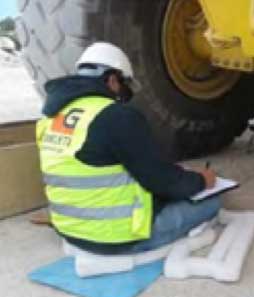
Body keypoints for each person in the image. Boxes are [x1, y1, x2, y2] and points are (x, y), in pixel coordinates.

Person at [36, 42, 219, 255]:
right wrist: (201, 180)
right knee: (212, 202)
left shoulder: (50, 118)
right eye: (124, 86)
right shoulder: (116, 115)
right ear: (112, 80)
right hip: (117, 238)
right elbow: (160, 181)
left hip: (68, 229)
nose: (124, 94)